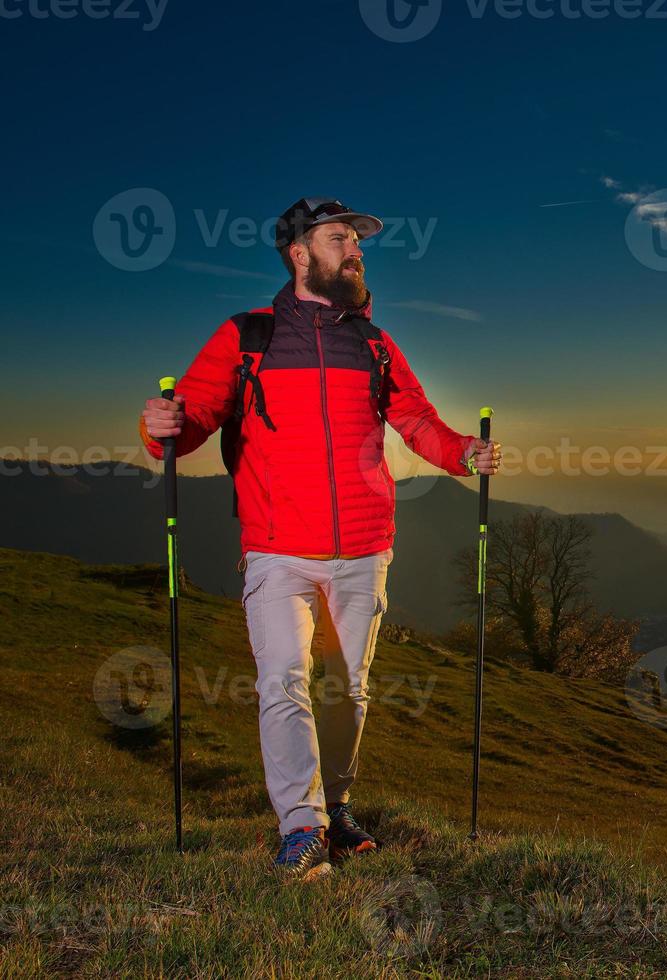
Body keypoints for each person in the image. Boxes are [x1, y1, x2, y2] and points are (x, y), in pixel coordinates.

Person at [139, 197, 501, 880]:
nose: (356, 252)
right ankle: (299, 826)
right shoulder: (247, 336)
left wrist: (462, 455)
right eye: (341, 239)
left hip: (364, 548)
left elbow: (416, 418)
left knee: (350, 689)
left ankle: (335, 807)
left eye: (357, 242)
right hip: (277, 547)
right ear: (300, 252)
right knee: (283, 681)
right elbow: (193, 418)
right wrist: (162, 425)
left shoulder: (372, 342)